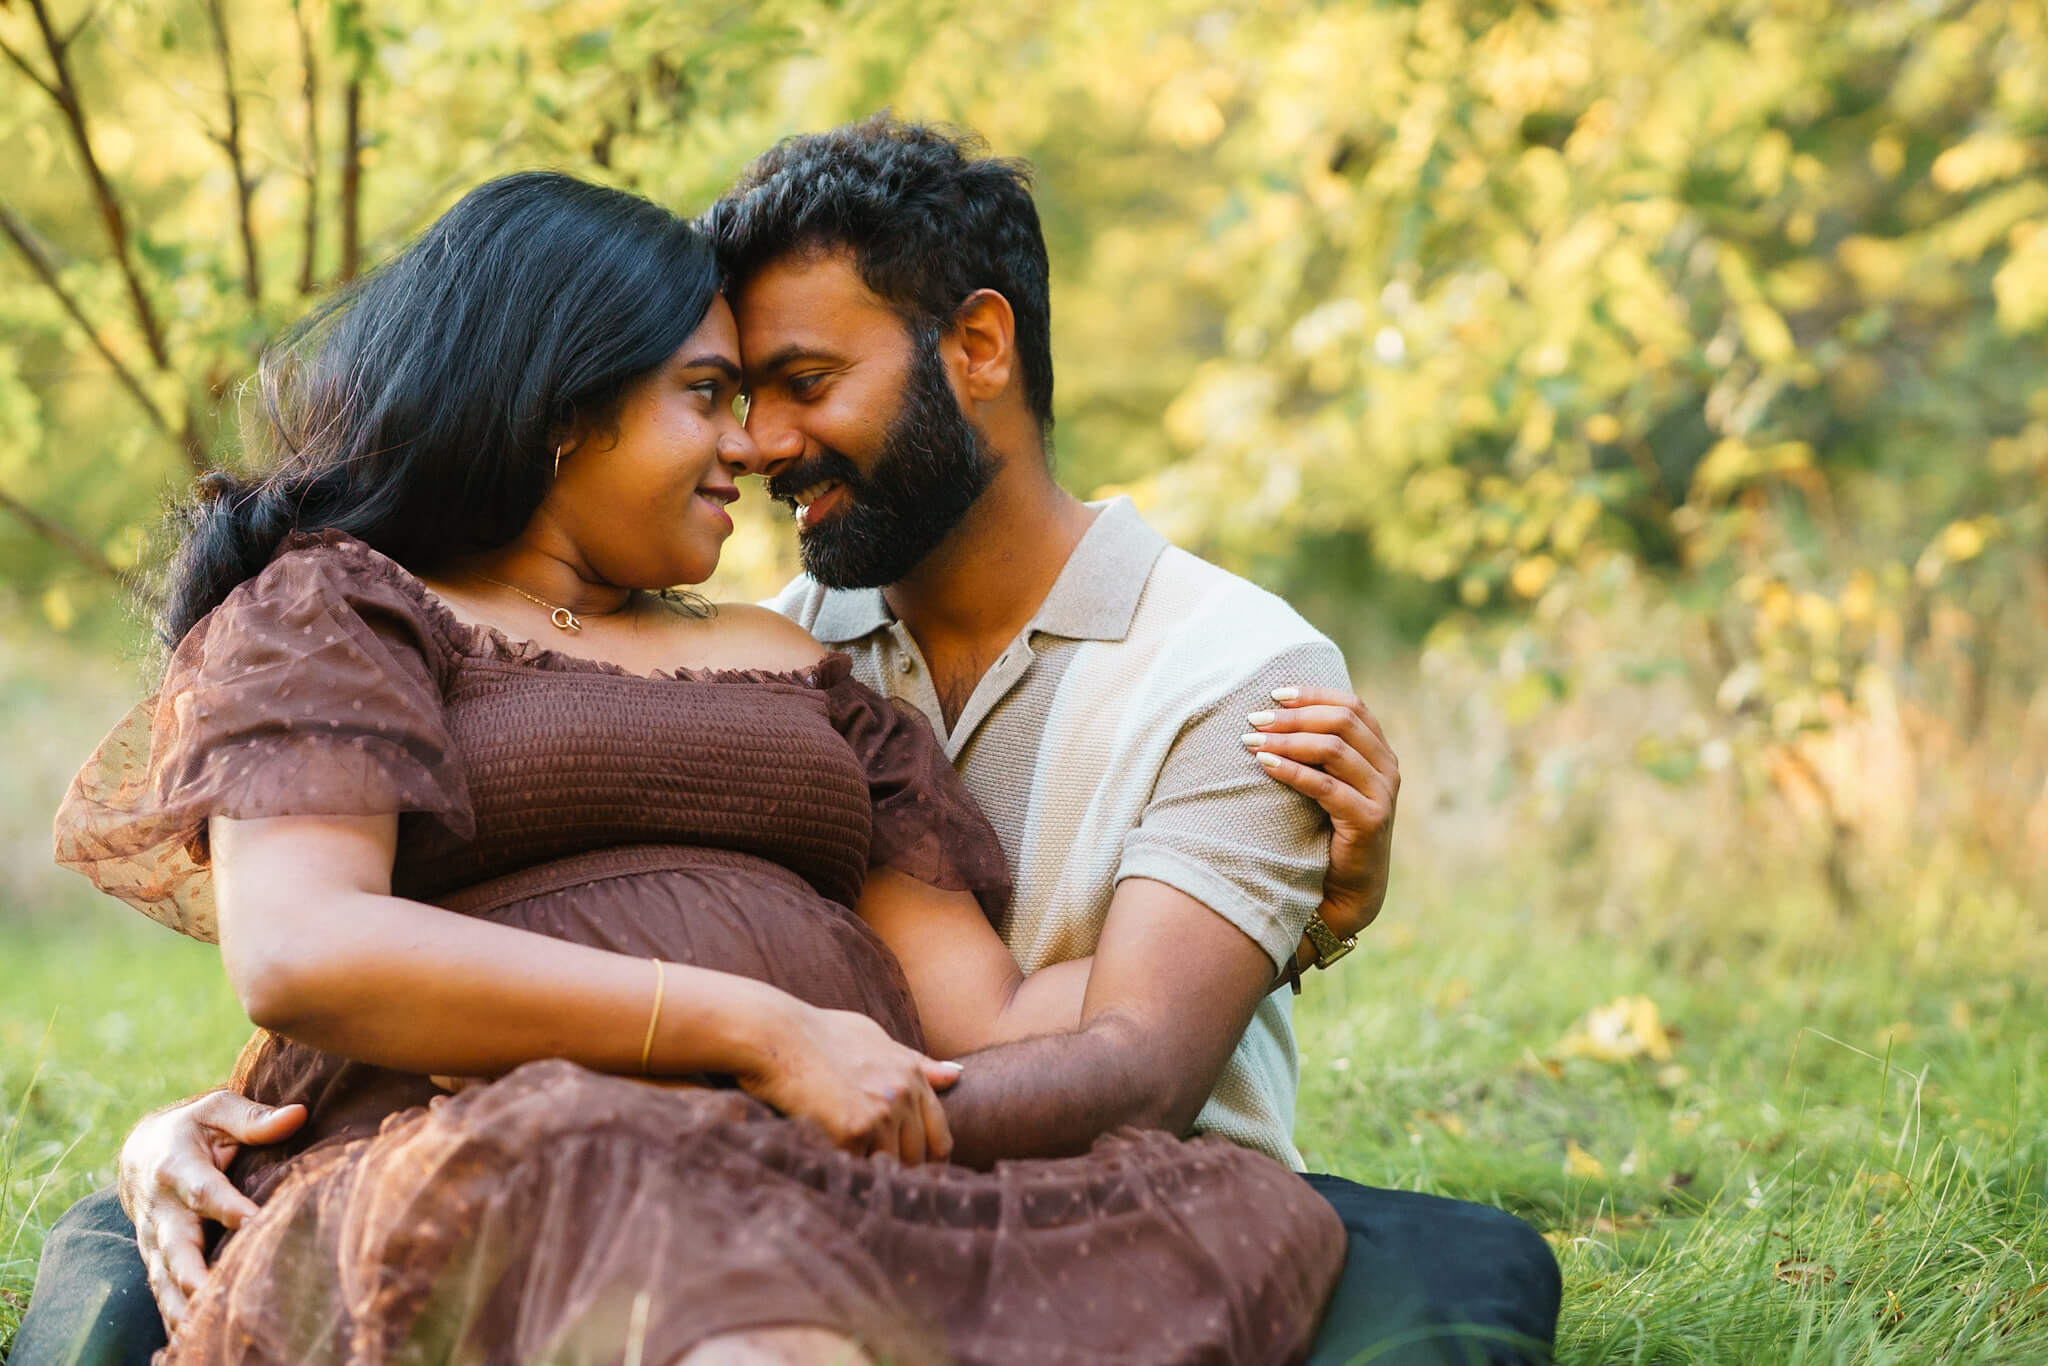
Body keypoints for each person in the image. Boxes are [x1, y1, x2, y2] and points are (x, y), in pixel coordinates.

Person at [18, 119, 1560, 1365]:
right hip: (548, 1151)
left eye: (784, 390)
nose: (755, 447)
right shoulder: (353, 608)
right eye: (714, 394)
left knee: (1250, 1229)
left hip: (842, 1153)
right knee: (631, 1198)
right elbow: (305, 950)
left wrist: (1300, 914)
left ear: (979, 348)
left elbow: (1010, 1027)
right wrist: (748, 1033)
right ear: (564, 407)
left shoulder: (836, 661)